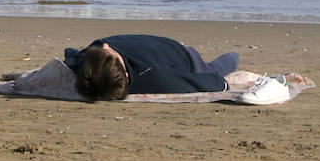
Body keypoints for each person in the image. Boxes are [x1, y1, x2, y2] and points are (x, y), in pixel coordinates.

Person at [67, 34, 240, 100]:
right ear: (126, 77)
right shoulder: (155, 77)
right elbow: (216, 84)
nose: (105, 46)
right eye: (110, 52)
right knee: (227, 63)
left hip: (176, 51)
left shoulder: (90, 58)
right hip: (171, 54)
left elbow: (70, 53)